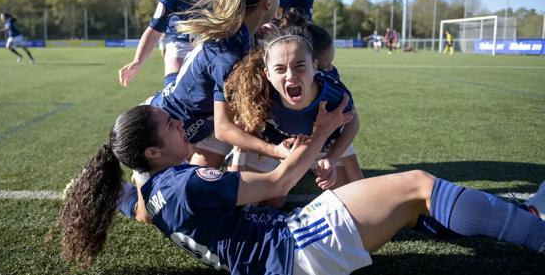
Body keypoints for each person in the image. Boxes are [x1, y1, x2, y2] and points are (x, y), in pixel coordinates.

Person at [53, 104, 545, 274]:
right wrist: (320, 130)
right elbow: (280, 182)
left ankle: (520, 216)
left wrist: (105, 194)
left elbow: (135, 208)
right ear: (152, 154)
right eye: (169, 126)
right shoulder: (182, 187)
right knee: (415, 186)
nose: (181, 124)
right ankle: (536, 230)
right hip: (292, 251)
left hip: (282, 250)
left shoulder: (154, 196)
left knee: (410, 208)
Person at [142, 0, 284, 169]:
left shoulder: (237, 35)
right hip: (161, 133)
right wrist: (275, 150)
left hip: (176, 122)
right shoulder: (229, 52)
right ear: (269, 1)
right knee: (158, 196)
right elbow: (223, 128)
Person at [225, 28, 363, 206]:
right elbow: (241, 127)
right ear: (267, 74)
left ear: (314, 65)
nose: (291, 76)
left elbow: (353, 122)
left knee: (355, 195)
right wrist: (269, 152)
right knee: (268, 202)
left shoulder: (334, 95)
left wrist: (332, 158)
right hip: (274, 143)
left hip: (325, 140)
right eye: (280, 69)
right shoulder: (259, 93)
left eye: (300, 66)